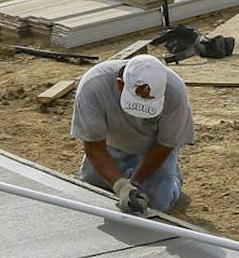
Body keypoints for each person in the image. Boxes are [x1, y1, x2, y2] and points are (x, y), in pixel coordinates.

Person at [71, 52, 192, 215]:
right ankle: (125, 172)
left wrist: (135, 184)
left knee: (156, 205)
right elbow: (94, 147)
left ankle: (172, 181)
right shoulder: (93, 86)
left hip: (152, 149)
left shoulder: (175, 93)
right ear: (120, 85)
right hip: (109, 146)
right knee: (91, 191)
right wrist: (121, 186)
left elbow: (165, 144)